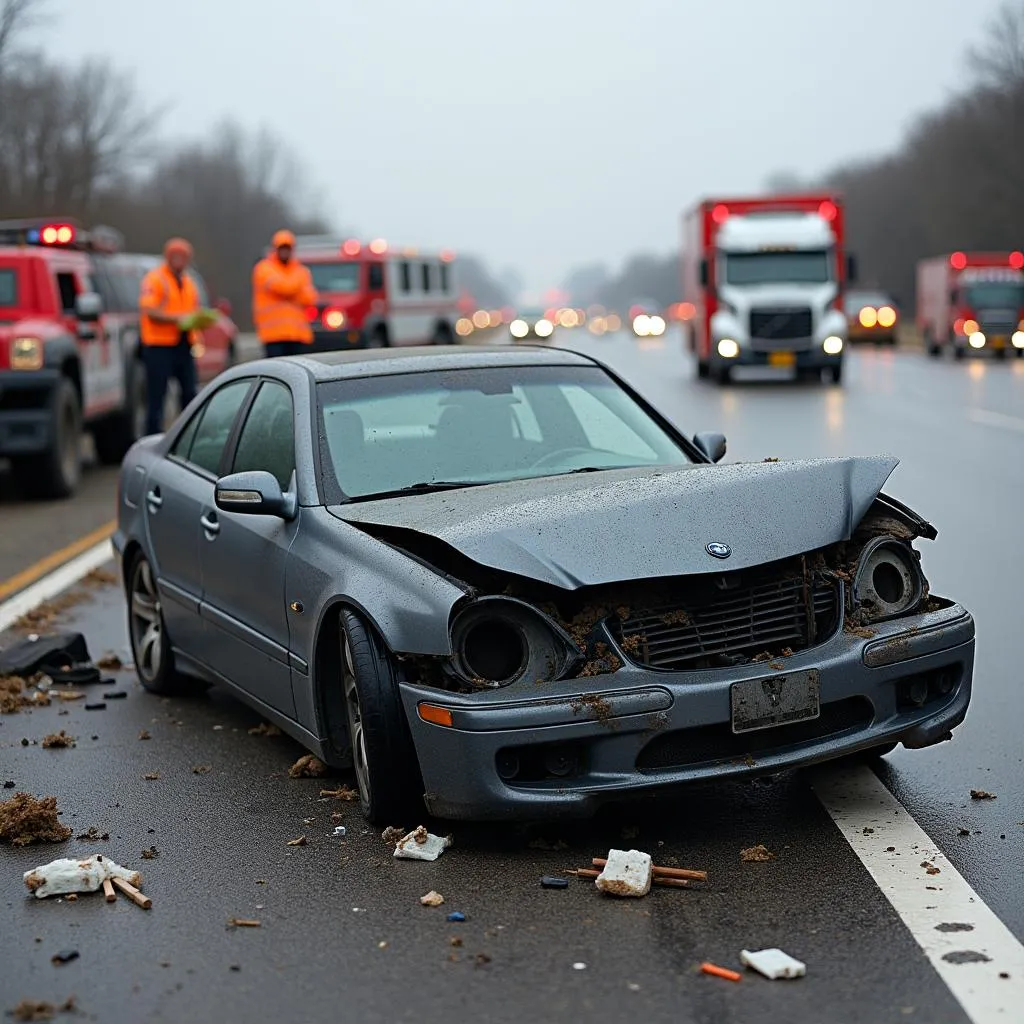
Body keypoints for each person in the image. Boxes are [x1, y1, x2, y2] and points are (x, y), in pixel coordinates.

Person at [138, 238, 201, 435]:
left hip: (184, 344)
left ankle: (189, 436)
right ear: (167, 257)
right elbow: (150, 310)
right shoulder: (155, 279)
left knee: (190, 394)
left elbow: (193, 310)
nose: (179, 260)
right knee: (157, 397)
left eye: (183, 256)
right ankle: (152, 437)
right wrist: (178, 318)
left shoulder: (189, 282)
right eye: (175, 256)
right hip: (159, 346)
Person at [252, 230, 318, 357]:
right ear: (275, 249)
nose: (285, 251)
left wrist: (289, 291)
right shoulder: (263, 268)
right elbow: (283, 288)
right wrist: (296, 289)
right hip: (273, 335)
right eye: (281, 248)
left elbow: (310, 298)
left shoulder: (301, 270)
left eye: (288, 248)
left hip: (298, 335)